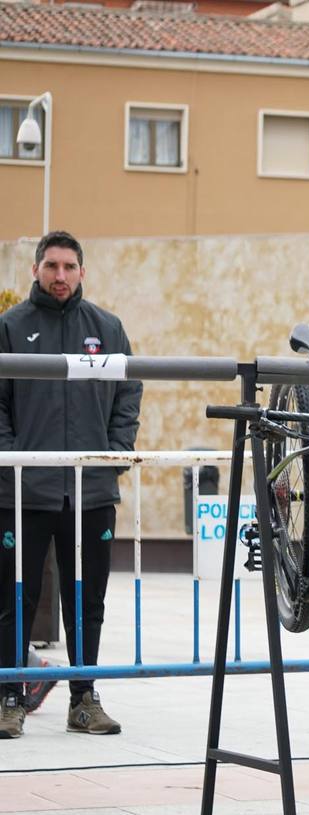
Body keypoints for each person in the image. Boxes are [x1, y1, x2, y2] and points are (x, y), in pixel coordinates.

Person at [0, 231, 143, 739]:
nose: (60, 276)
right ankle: (9, 697)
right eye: (51, 266)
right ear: (36, 270)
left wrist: (115, 454)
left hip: (91, 492)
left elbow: (129, 390)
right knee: (13, 596)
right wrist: (13, 459)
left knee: (88, 599)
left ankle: (84, 698)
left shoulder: (106, 327)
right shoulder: (11, 327)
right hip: (24, 492)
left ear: (82, 272)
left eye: (69, 267)